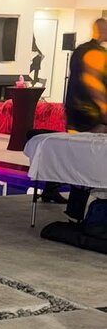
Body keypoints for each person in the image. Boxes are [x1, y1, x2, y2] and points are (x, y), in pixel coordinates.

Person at [63, 16, 107, 219]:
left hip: (75, 114)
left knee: (80, 161)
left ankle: (75, 210)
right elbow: (93, 85)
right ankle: (93, 212)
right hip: (92, 117)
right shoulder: (96, 53)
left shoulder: (80, 50)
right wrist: (104, 111)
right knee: (92, 162)